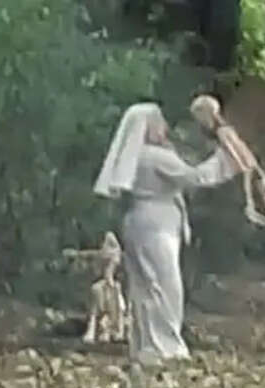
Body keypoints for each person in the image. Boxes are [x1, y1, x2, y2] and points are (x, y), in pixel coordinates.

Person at [93, 102, 244, 366]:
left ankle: (146, 344)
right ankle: (165, 346)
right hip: (157, 226)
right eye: (160, 123)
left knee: (144, 286)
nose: (165, 128)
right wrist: (224, 158)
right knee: (165, 285)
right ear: (149, 128)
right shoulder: (154, 156)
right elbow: (195, 177)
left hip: (140, 222)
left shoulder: (139, 156)